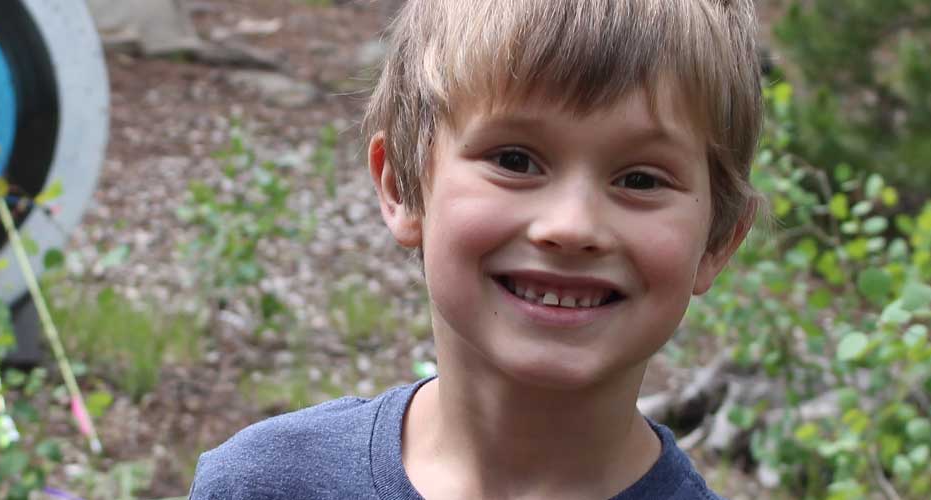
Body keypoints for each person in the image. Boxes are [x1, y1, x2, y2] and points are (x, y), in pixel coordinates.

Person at [189, 0, 764, 498]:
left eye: (640, 179)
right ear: (402, 184)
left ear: (718, 241)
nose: (571, 226)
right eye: (515, 160)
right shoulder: (262, 485)